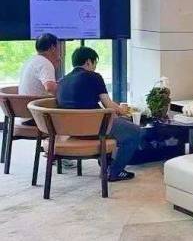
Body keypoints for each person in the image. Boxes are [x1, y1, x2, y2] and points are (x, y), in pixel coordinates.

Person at [56, 47, 141, 182]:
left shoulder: (62, 81)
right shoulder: (94, 77)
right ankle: (114, 172)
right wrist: (122, 110)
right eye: (95, 63)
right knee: (134, 131)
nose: (95, 67)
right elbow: (108, 105)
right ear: (88, 62)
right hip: (94, 128)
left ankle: (106, 165)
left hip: (70, 131)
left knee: (116, 124)